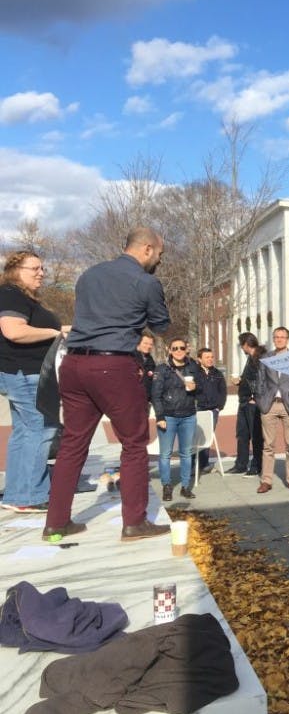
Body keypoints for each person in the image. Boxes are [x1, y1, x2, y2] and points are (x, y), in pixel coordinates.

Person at [44, 226, 171, 542]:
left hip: (73, 364)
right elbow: (160, 326)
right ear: (146, 249)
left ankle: (56, 522)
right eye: (159, 254)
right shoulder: (146, 282)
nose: (159, 260)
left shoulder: (88, 275)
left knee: (73, 442)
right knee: (134, 442)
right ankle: (135, 523)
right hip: (113, 365)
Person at [0, 250, 69, 513]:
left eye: (42, 268)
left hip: (23, 374)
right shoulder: (11, 294)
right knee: (41, 429)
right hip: (25, 373)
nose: (41, 273)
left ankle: (17, 493)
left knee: (24, 431)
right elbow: (13, 331)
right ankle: (28, 496)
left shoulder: (21, 297)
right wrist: (54, 332)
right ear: (16, 271)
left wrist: (60, 331)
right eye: (35, 268)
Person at [256, 326, 289, 494]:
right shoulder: (266, 358)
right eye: (276, 337)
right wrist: (261, 401)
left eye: (282, 337)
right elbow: (260, 381)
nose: (279, 339)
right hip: (269, 405)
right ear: (273, 339)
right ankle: (266, 481)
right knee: (268, 445)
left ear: (287, 339)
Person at [151, 338, 200, 502]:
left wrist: (196, 387)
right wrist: (160, 416)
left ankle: (185, 487)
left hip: (188, 415)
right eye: (175, 348)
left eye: (181, 348)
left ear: (187, 349)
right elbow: (155, 395)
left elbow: (201, 388)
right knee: (165, 454)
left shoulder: (193, 367)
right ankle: (167, 486)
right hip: (168, 416)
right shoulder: (162, 369)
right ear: (169, 350)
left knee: (186, 453)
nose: (178, 351)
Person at [228, 332, 263, 476]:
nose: (242, 348)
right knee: (242, 434)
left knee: (256, 435)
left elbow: (261, 379)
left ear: (246, 344)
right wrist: (240, 380)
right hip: (244, 401)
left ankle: (257, 465)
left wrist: (255, 396)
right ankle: (241, 464)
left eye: (242, 345)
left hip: (252, 402)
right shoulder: (250, 358)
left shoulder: (260, 358)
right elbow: (249, 378)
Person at [192, 347, 227, 475]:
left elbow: (223, 391)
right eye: (207, 357)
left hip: (213, 410)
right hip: (197, 409)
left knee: (207, 436)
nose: (210, 359)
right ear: (199, 359)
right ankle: (192, 466)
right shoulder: (193, 373)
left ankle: (204, 465)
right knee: (194, 436)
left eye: (211, 357)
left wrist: (219, 407)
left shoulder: (217, 373)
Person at [136, 331, 156, 404]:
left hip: (146, 400)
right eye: (145, 343)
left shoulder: (150, 360)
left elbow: (151, 380)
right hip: (132, 400)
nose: (148, 346)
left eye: (151, 344)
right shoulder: (130, 358)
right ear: (139, 342)